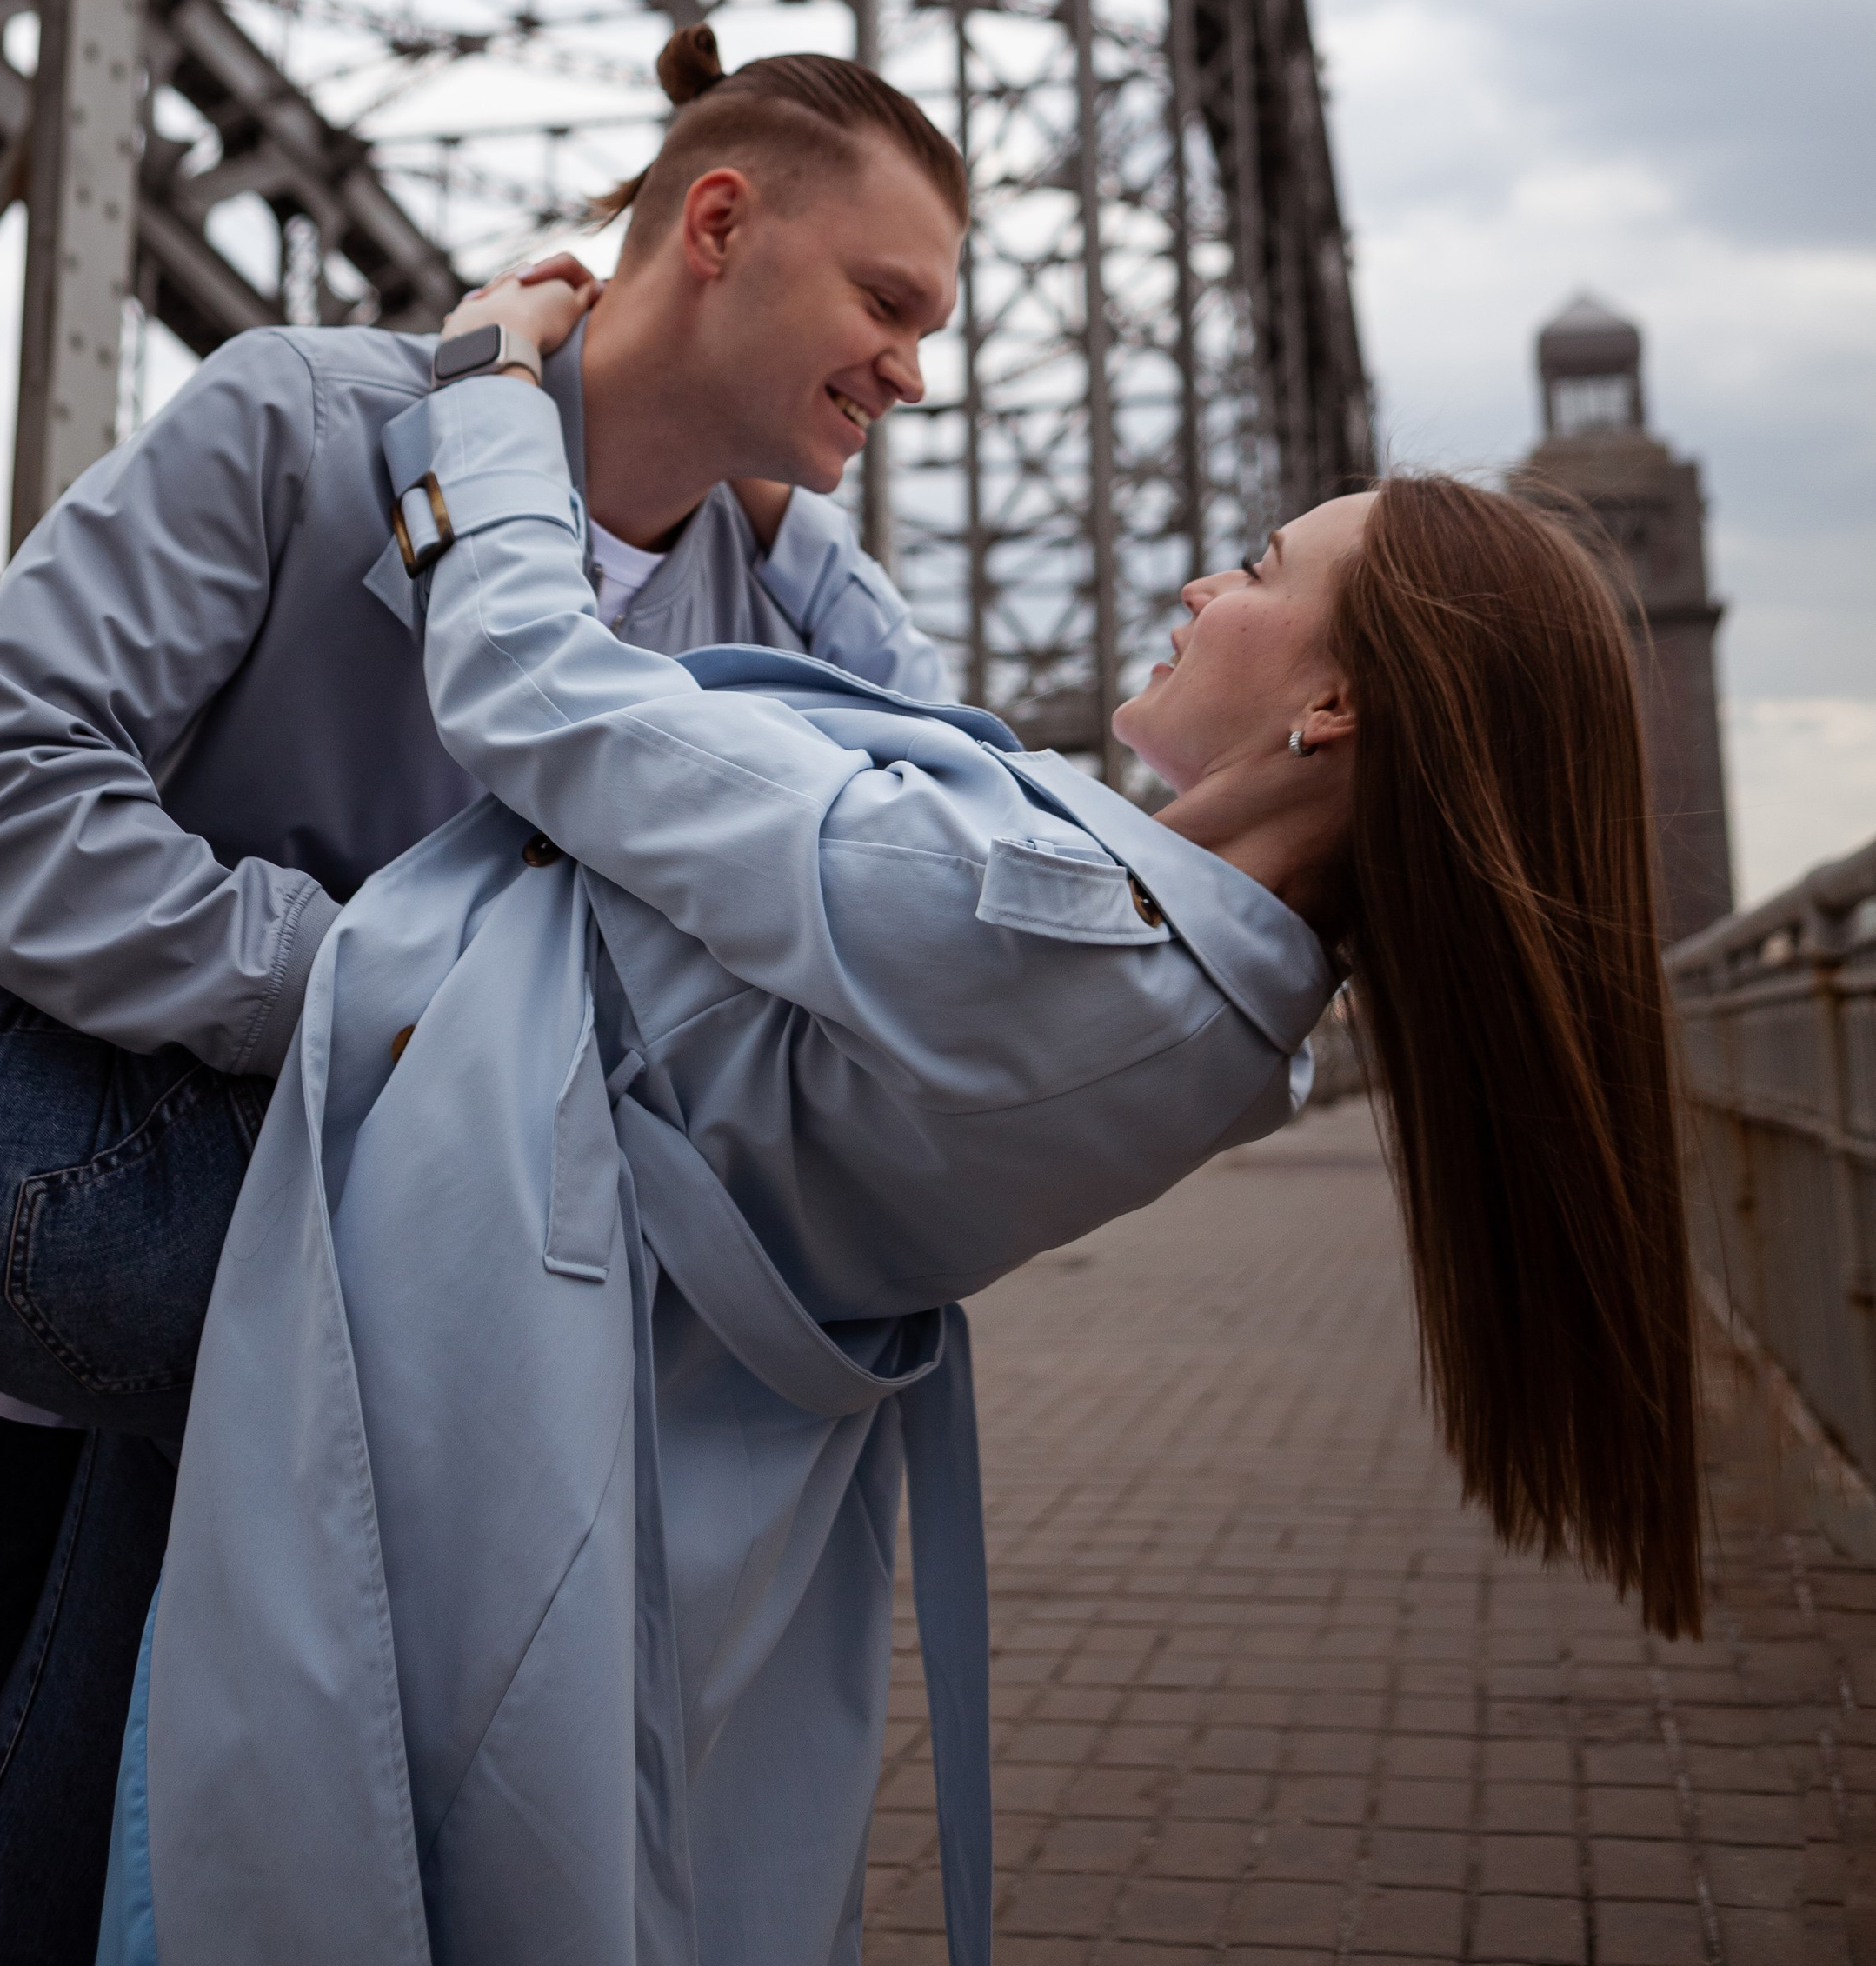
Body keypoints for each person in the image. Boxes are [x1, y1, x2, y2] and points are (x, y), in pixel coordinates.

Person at [96, 262, 1702, 1966]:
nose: (1192, 581)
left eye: (1253, 569)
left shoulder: (1039, 925)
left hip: (383, 1331)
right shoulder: (1206, 997)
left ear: (1335, 706)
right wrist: (771, 509)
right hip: (561, 1404)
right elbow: (933, 768)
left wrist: (487, 396)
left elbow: (534, 693)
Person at [0, 28, 969, 1966]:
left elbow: (943, 857)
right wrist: (369, 1006)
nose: (912, 370)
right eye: (886, 301)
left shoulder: (763, 619)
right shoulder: (303, 422)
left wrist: (815, 553)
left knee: (14, 1912)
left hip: (324, 1380)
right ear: (714, 224)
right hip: (34, 1282)